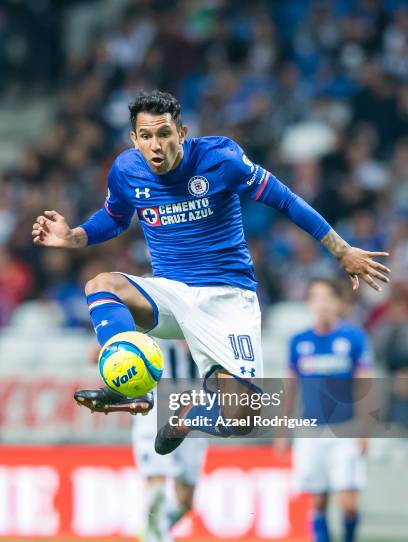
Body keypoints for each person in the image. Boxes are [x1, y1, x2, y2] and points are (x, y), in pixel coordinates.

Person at [32, 90, 390, 455]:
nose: (156, 146)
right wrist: (74, 236)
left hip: (227, 297)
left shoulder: (221, 159)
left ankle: (189, 415)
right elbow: (114, 217)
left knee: (243, 418)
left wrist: (340, 249)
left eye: (164, 134)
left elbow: (285, 199)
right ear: (134, 139)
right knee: (101, 284)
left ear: (182, 133)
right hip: (171, 293)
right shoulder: (126, 170)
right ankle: (130, 383)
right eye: (146, 136)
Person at [276, 278, 372, 542]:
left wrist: (365, 428)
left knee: (349, 503)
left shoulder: (353, 338)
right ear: (309, 303)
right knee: (317, 500)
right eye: (316, 298)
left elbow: (365, 385)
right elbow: (290, 387)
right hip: (310, 430)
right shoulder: (298, 341)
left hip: (344, 428)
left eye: (328, 298)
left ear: (339, 302)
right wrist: (283, 428)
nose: (322, 304)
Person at [133, 339, 206, 542]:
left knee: (185, 502)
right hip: (156, 408)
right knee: (158, 494)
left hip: (195, 411)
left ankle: (150, 533)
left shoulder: (203, 312)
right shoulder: (153, 312)